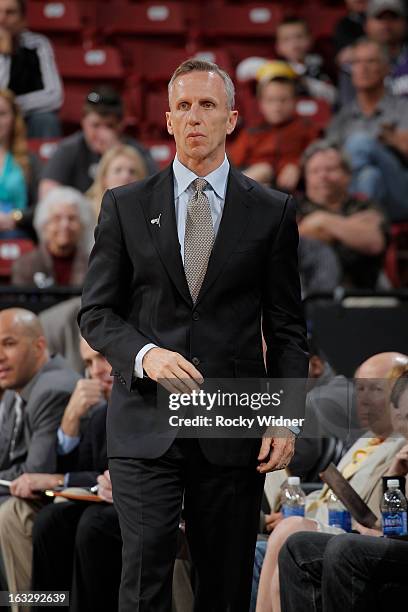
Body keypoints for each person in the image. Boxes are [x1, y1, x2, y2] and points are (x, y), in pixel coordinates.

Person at [78, 58, 309, 611]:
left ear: (231, 117)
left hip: (230, 419)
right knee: (145, 570)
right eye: (183, 106)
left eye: (207, 105)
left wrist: (286, 413)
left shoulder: (272, 211)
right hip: (145, 415)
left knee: (224, 583)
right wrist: (147, 354)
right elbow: (96, 313)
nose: (194, 117)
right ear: (166, 119)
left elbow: (286, 326)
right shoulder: (126, 206)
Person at [253, 352, 407, 612]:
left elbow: (381, 511)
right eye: (360, 389)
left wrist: (395, 469)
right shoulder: (366, 439)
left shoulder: (400, 443)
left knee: (292, 531)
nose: (364, 399)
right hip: (339, 522)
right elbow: (332, 494)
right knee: (254, 547)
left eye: (376, 389)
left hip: (358, 530)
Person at [0, 337, 114, 612]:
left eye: (103, 357)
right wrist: (71, 420)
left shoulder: (53, 388)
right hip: (90, 497)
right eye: (88, 362)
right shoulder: (98, 413)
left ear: (39, 345)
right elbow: (82, 468)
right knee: (53, 518)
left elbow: (39, 470)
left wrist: (60, 481)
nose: (95, 370)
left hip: (144, 502)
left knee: (82, 523)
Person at [326, 37, 408, 221]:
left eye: (371, 61)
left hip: (401, 193)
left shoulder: (403, 108)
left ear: (387, 68)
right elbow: (327, 158)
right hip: (370, 195)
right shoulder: (342, 117)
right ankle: (359, 226)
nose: (363, 68)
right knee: (369, 177)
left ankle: (343, 218)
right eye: (356, 62)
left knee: (359, 142)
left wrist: (393, 140)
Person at [298, 140, 387, 289]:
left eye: (330, 169)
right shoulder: (292, 207)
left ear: (347, 175)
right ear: (305, 178)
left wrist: (321, 221)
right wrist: (348, 229)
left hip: (360, 294)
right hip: (304, 296)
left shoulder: (363, 206)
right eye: (315, 171)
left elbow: (373, 243)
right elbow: (284, 243)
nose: (323, 176)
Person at [40, 86, 157, 197]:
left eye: (109, 126)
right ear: (83, 122)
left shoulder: (136, 152)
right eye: (95, 125)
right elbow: (48, 194)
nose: (102, 133)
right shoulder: (69, 149)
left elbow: (154, 192)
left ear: (121, 125)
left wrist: (116, 154)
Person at [229, 75, 319, 190]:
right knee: (263, 170)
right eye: (270, 100)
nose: (277, 106)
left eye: (283, 100)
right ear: (261, 104)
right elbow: (232, 162)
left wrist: (298, 166)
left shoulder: (305, 127)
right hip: (256, 183)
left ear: (295, 101)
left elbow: (317, 154)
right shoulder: (252, 131)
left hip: (293, 187)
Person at [0, 0, 62, 137]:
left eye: (10, 13)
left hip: (25, 118)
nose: (2, 19)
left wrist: (9, 109)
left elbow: (54, 96)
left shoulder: (38, 45)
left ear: (22, 19)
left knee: (46, 120)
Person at [11, 186, 94, 287]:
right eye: (57, 218)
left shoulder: (93, 265)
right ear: (44, 225)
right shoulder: (24, 265)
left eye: (72, 218)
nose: (65, 225)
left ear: (82, 225)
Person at [0, 88, 40, 239]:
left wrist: (16, 217)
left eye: (2, 114)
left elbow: (42, 205)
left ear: (14, 119)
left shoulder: (29, 160)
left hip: (19, 231)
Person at [86, 143, 148, 219]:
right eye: (118, 170)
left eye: (132, 171)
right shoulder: (84, 210)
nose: (126, 176)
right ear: (104, 178)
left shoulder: (150, 213)